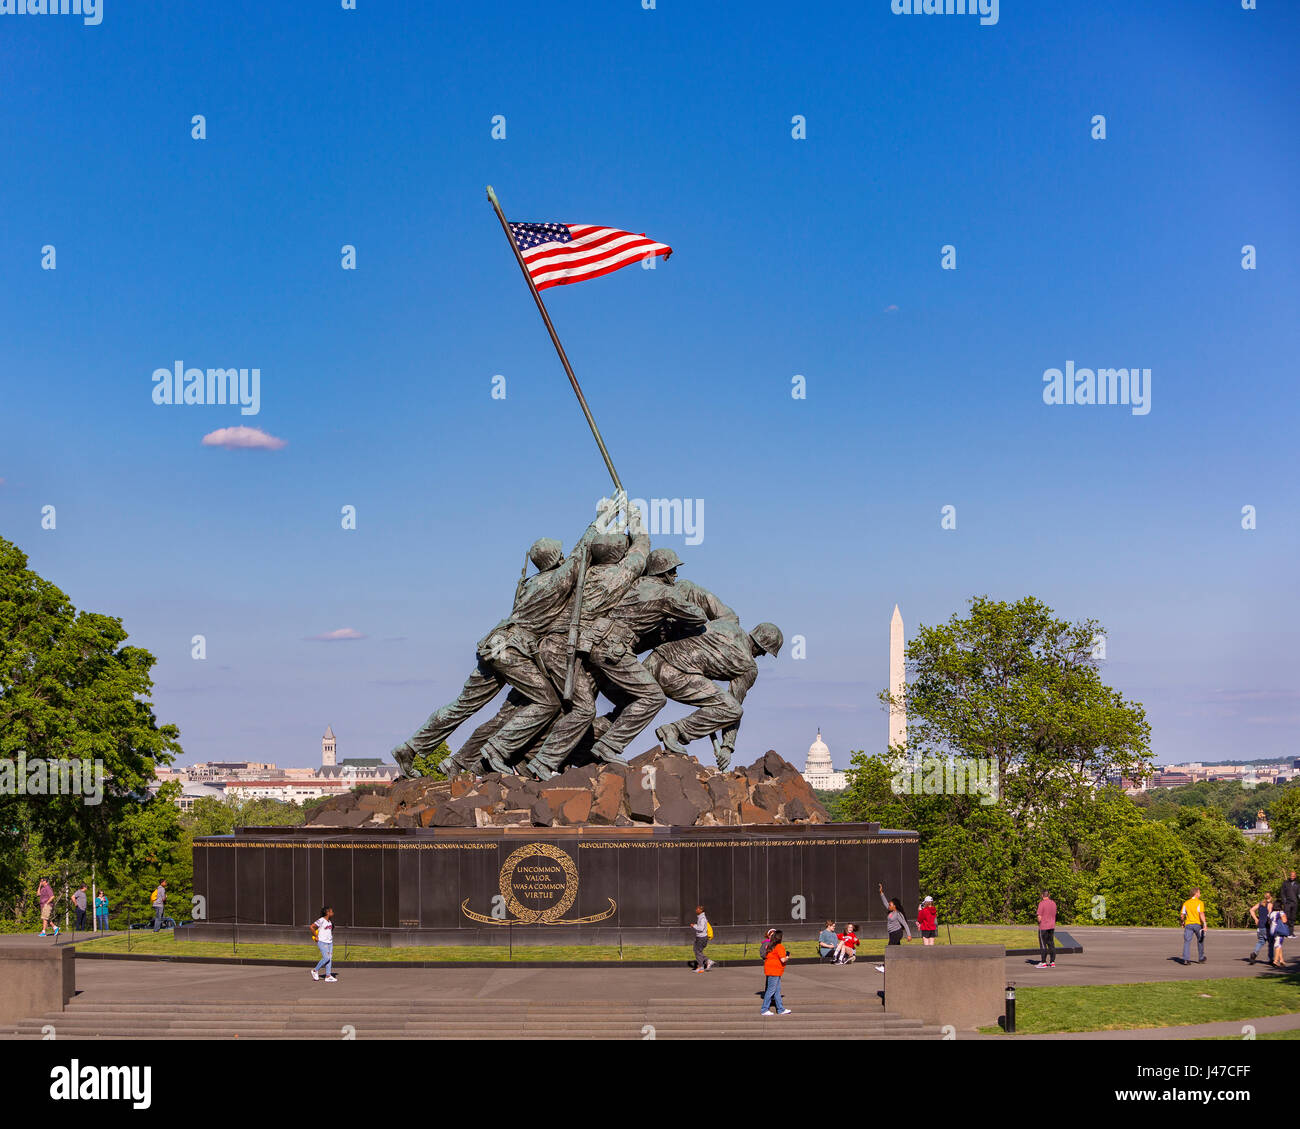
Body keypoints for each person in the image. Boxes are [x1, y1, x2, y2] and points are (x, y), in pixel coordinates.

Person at [761, 928, 792, 1016]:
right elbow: (783, 960)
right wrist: (787, 957)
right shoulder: (779, 947)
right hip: (775, 971)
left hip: (770, 970)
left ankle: (780, 1009)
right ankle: (764, 1009)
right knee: (771, 991)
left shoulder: (770, 946)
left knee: (776, 991)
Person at [1179, 886, 1207, 965]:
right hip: (1197, 924)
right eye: (1199, 892)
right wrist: (1205, 924)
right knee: (1200, 941)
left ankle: (1186, 959)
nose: (1200, 894)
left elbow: (1182, 915)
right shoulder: (1199, 903)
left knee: (1187, 942)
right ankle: (1201, 958)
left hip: (1188, 925)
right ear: (1196, 893)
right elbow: (1201, 913)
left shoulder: (1186, 903)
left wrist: (1183, 922)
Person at [311, 906, 337, 982]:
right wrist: (316, 936)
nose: (333, 913)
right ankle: (315, 970)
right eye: (331, 911)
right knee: (326, 958)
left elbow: (329, 930)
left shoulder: (330, 922)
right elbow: (312, 927)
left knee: (329, 958)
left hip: (329, 942)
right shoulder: (321, 920)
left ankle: (328, 976)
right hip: (322, 942)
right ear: (327, 912)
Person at [1035, 889, 1057, 968]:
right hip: (1052, 926)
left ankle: (1043, 962)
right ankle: (1052, 961)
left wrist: (1038, 922)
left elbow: (1039, 916)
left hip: (1043, 926)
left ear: (1042, 895)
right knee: (1051, 943)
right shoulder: (1053, 903)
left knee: (1043, 944)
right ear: (1049, 895)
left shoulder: (1041, 904)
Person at [691, 905, 714, 972]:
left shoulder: (702, 918)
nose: (696, 910)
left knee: (697, 951)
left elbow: (701, 928)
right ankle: (707, 961)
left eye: (697, 909)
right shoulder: (700, 917)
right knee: (696, 950)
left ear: (701, 910)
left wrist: (694, 926)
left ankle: (701, 966)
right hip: (699, 937)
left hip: (702, 937)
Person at [1270, 904, 1290, 969]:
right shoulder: (1280, 912)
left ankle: (1281, 960)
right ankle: (1275, 961)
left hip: (1273, 931)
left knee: (1279, 944)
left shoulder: (1272, 913)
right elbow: (1284, 920)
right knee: (1278, 945)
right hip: (1279, 931)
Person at [1282, 870, 1299, 935]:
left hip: (1294, 903)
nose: (1292, 877)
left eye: (1293, 876)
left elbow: (1299, 894)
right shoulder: (1285, 883)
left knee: (1293, 918)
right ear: (1290, 875)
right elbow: (1282, 893)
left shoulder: (1297, 884)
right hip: (1287, 903)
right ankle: (1285, 931)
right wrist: (1284, 901)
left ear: (1295, 876)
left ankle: (1291, 932)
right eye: (1291, 875)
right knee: (1287, 917)